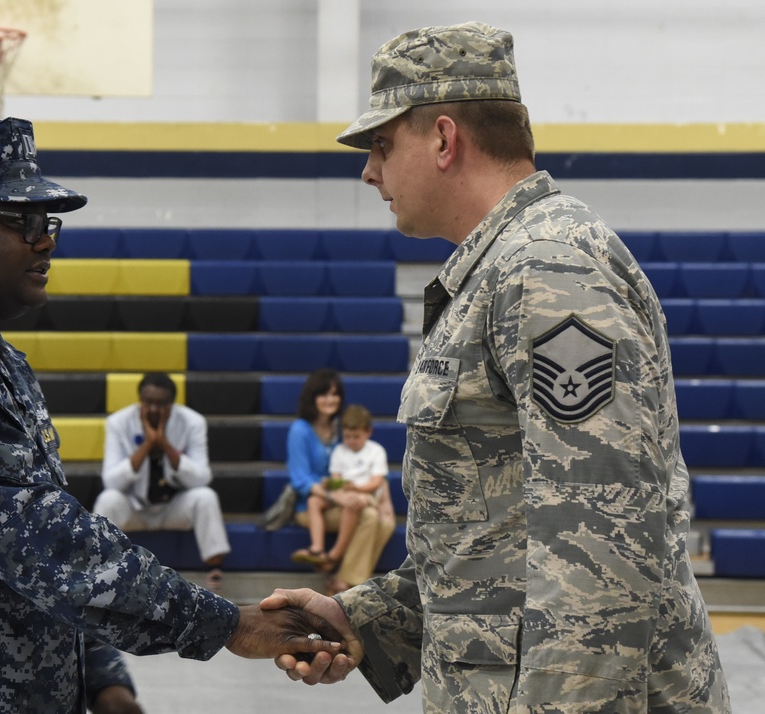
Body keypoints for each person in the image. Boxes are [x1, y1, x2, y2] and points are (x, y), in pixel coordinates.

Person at [0, 117, 344, 713]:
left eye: (46, 223)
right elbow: (43, 544)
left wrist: (102, 676)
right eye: (21, 222)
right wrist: (228, 624)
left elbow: (15, 546)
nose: (45, 240)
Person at [263, 22, 731, 712]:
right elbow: (498, 541)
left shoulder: (547, 268)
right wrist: (368, 620)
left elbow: (599, 546)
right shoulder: (505, 270)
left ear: (445, 139)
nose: (369, 171)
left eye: (382, 145)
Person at [94, 371, 230, 589]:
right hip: (134, 507)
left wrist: (166, 445)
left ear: (172, 403)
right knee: (108, 499)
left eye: (162, 403)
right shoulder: (118, 422)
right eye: (148, 402)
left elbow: (203, 477)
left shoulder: (193, 422)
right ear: (140, 401)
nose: (155, 409)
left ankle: (214, 569)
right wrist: (147, 445)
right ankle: (98, 570)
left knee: (206, 497)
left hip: (174, 506)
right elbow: (111, 481)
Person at [286, 371, 395, 597]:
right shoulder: (300, 429)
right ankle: (349, 585)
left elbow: (369, 470)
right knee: (369, 516)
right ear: (312, 397)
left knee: (386, 522)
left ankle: (341, 578)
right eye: (324, 394)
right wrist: (334, 496)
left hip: (345, 497)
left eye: (335, 394)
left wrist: (386, 502)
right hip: (313, 505)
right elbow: (300, 479)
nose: (330, 399)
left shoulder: (341, 427)